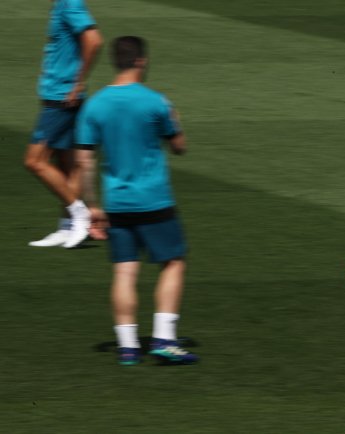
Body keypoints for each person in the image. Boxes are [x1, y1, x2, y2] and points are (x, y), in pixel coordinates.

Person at [74, 36, 198, 366]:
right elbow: (179, 147)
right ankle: (164, 339)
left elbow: (85, 161)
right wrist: (176, 119)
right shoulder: (156, 102)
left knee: (125, 273)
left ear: (116, 61)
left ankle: (128, 347)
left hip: (116, 203)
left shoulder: (95, 105)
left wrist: (94, 208)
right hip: (155, 200)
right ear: (141, 62)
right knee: (173, 262)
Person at [24, 0, 103, 248]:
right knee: (67, 163)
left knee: (34, 160)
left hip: (61, 98)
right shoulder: (62, 4)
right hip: (57, 95)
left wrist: (77, 83)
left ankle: (80, 215)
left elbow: (94, 40)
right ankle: (67, 227)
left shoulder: (70, 3)